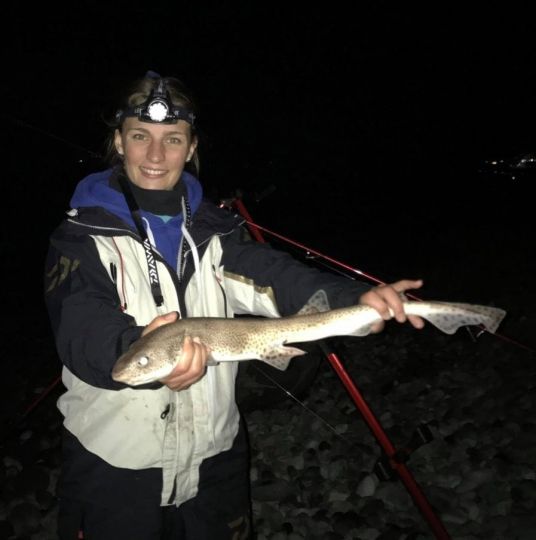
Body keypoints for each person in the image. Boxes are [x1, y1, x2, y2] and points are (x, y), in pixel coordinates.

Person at [44, 71, 424, 540]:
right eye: (140, 136)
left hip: (215, 456)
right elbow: (80, 326)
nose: (156, 155)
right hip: (113, 464)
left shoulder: (216, 231)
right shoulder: (79, 237)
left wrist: (356, 299)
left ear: (192, 146)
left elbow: (276, 276)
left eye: (173, 139)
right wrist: (135, 347)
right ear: (119, 142)